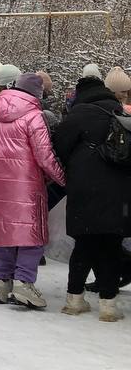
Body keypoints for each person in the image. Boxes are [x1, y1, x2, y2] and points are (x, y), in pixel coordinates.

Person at [0, 73, 65, 310]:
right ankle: (24, 283)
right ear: (37, 94)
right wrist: (60, 177)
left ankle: (2, 282)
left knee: (4, 232)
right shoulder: (34, 115)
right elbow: (44, 155)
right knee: (31, 234)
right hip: (26, 183)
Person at [53, 70, 128, 322]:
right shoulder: (120, 112)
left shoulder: (78, 114)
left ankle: (74, 300)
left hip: (84, 187)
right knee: (111, 245)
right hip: (118, 188)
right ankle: (108, 305)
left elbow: (59, 146)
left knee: (84, 244)